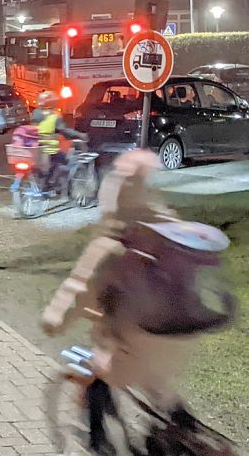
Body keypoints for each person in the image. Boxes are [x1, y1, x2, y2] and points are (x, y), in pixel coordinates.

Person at [41, 150, 235, 453]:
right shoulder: (170, 230)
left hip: (139, 340)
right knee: (157, 383)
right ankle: (182, 425)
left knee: (99, 371)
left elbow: (78, 289)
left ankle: (98, 441)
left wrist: (54, 321)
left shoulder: (112, 246)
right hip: (183, 333)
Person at [33, 90, 87, 193]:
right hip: (49, 147)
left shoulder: (36, 113)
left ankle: (46, 180)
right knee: (64, 160)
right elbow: (64, 130)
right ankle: (53, 182)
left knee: (48, 163)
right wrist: (79, 134)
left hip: (36, 146)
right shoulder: (55, 115)